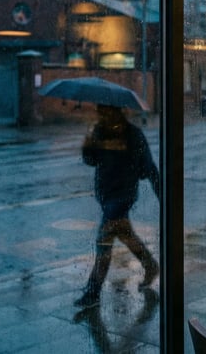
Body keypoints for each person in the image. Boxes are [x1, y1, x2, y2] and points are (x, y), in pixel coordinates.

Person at [75, 104, 161, 308]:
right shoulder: (98, 131)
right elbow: (90, 160)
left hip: (123, 196)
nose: (100, 115)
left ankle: (93, 292)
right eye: (99, 112)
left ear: (115, 111)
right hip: (106, 196)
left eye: (104, 112)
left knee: (103, 241)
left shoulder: (133, 135)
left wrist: (164, 197)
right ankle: (150, 265)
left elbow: (147, 168)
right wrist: (87, 144)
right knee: (125, 234)